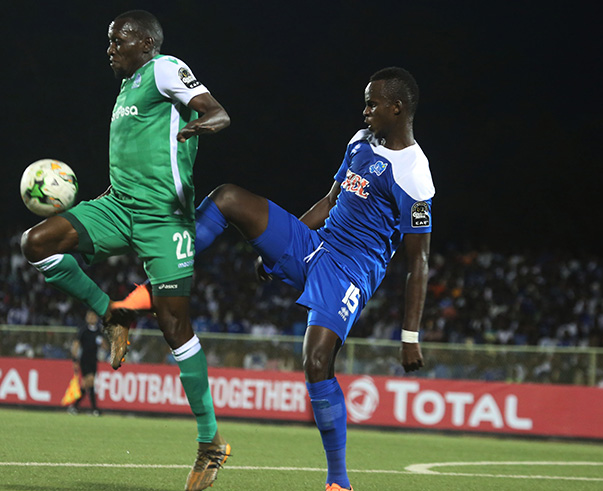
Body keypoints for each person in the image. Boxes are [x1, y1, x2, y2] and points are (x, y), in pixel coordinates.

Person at [117, 67, 432, 491]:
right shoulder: (360, 143)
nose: (365, 111)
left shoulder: (415, 173)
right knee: (228, 197)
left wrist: (409, 335)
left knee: (317, 362)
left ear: (398, 108)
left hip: (350, 272)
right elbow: (330, 200)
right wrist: (280, 251)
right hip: (315, 246)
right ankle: (152, 283)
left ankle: (338, 482)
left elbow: (419, 262)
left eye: (373, 103)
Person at [19, 10, 231, 491]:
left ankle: (210, 443)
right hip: (117, 207)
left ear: (145, 42)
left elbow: (215, 109)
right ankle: (113, 314)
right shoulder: (127, 86)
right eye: (109, 41)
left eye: (117, 40)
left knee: (175, 325)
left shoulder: (163, 68)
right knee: (37, 243)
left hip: (164, 219)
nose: (110, 48)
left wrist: (206, 123)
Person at [68, 310, 104, 416]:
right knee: (90, 381)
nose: (91, 318)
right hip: (84, 360)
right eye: (89, 316)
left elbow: (104, 346)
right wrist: (75, 359)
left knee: (86, 384)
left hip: (94, 360)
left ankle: (74, 406)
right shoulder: (83, 330)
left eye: (93, 316)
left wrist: (103, 343)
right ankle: (94, 409)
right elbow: (76, 344)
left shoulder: (99, 331)